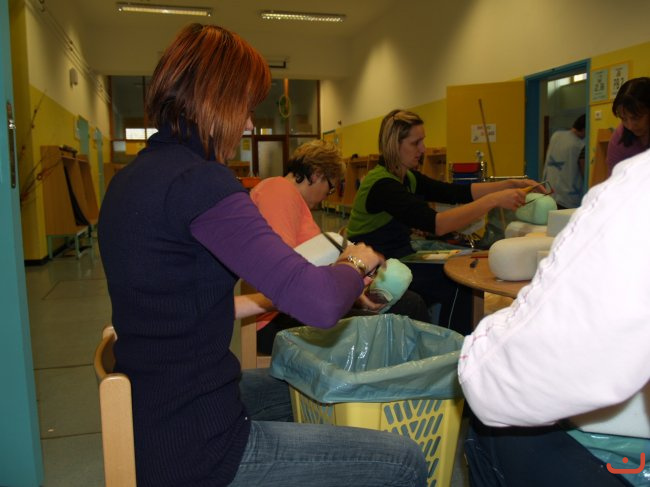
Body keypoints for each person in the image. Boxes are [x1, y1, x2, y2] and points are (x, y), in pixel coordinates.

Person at [98, 24, 427, 487]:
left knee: (308, 383)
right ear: (216, 100)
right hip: (202, 449)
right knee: (404, 460)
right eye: (247, 109)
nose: (250, 125)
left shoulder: (127, 182)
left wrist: (331, 289)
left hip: (158, 419)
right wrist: (354, 262)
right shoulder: (200, 182)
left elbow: (191, 303)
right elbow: (319, 305)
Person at [459, 148, 650, 486]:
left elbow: (489, 385)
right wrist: (499, 194)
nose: (421, 150)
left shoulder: (637, 190)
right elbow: (441, 197)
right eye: (416, 143)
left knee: (496, 426)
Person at [346, 109, 543, 335]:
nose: (423, 149)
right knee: (457, 282)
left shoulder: (406, 177)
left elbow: (454, 192)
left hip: (398, 258)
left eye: (423, 141)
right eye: (416, 143)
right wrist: (494, 200)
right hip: (378, 270)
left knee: (459, 272)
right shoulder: (383, 186)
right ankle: (452, 346)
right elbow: (437, 224)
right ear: (393, 145)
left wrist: (509, 184)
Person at [250, 139, 430, 355]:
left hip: (293, 306)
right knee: (407, 309)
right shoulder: (279, 191)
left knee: (407, 304)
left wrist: (350, 285)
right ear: (316, 174)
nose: (326, 197)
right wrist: (348, 278)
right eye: (330, 188)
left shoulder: (289, 199)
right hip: (277, 318)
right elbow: (283, 270)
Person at [607, 77, 650, 176]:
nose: (630, 126)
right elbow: (615, 180)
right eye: (623, 119)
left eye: (636, 118)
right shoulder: (618, 139)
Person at [542, 114, 586, 209]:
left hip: (550, 193)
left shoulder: (556, 136)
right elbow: (585, 173)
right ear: (584, 129)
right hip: (569, 198)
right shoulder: (580, 145)